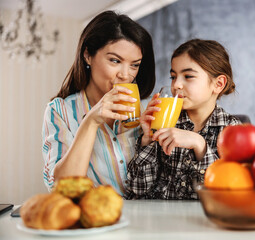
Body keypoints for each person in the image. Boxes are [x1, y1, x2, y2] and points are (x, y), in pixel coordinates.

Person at [42, 11, 155, 198]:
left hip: (146, 220)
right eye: (115, 61)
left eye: (134, 65)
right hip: (96, 220)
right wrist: (91, 121)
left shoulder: (144, 109)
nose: (125, 74)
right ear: (87, 55)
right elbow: (61, 189)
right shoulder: (60, 110)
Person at [126, 39, 242, 199]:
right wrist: (147, 139)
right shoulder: (164, 121)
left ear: (218, 84)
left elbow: (228, 195)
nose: (176, 85)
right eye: (173, 77)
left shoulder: (233, 130)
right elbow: (138, 188)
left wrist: (200, 145)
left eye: (188, 76)